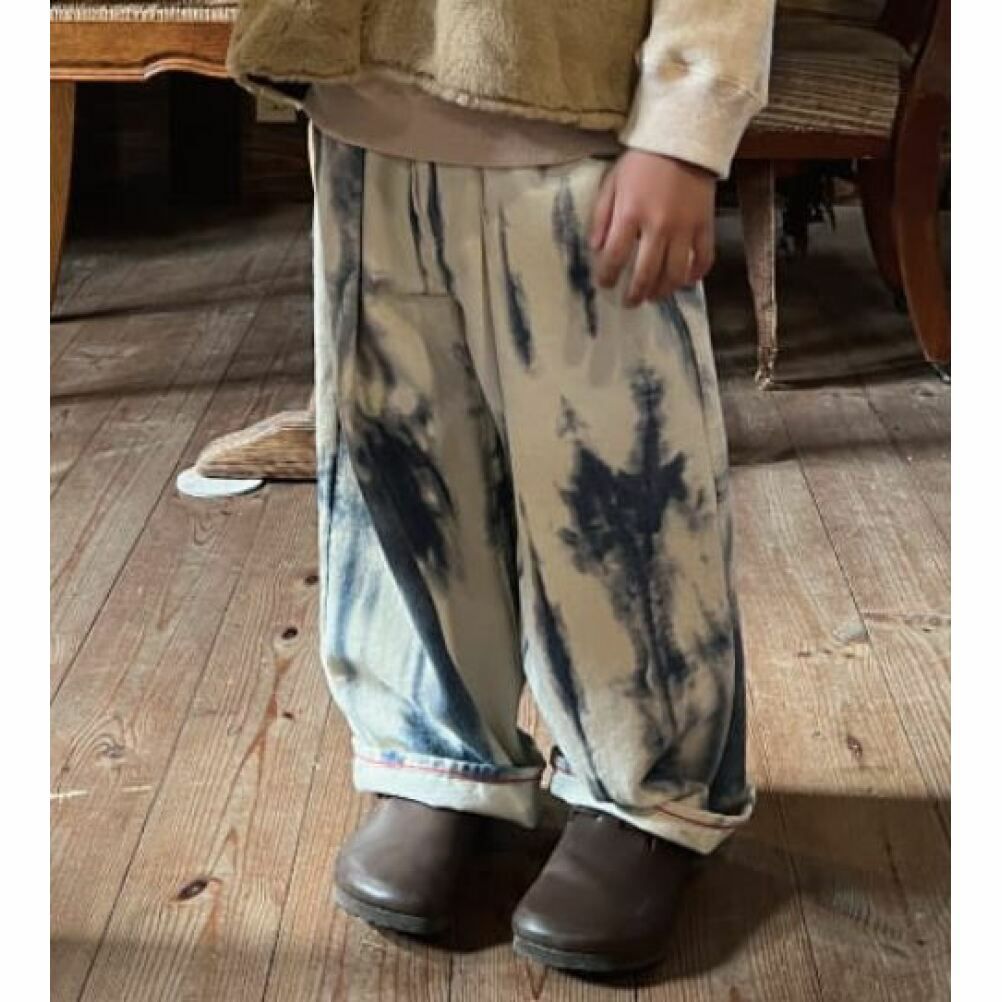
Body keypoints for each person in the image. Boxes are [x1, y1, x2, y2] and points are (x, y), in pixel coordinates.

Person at [229, 0, 776, 973]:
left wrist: (687, 119)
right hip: (362, 99)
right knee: (405, 476)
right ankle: (437, 755)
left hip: (584, 115)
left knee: (617, 500)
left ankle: (645, 793)